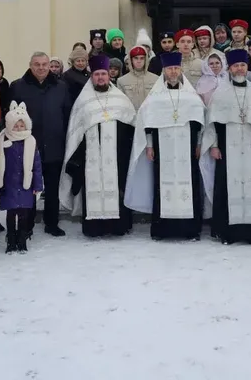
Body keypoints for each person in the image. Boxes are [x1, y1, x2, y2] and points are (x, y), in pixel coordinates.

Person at [200, 50, 251, 246]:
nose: (239, 69)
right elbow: (212, 122)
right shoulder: (221, 94)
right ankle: (227, 233)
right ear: (230, 69)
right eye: (236, 66)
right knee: (227, 188)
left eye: (243, 65)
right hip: (228, 151)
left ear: (247, 68)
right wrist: (213, 145)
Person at [125, 52, 206, 241]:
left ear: (180, 70)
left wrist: (200, 143)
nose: (173, 72)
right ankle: (162, 230)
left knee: (189, 186)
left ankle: (190, 230)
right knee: (162, 187)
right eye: (170, 69)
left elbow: (200, 121)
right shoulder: (155, 97)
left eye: (176, 68)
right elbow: (148, 124)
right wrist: (150, 146)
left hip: (187, 147)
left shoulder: (190, 96)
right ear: (164, 71)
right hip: (162, 148)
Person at [60, 55, 137, 237]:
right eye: (97, 74)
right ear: (92, 76)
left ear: (109, 75)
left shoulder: (121, 99)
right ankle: (94, 228)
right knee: (92, 187)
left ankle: (118, 227)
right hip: (90, 157)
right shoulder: (83, 101)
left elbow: (130, 126)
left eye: (103, 74)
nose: (100, 77)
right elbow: (76, 132)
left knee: (117, 188)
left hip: (116, 157)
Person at [10, 52, 71, 237]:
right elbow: (11, 117)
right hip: (27, 146)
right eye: (37, 64)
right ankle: (26, 225)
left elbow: (67, 114)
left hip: (54, 145)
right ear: (30, 65)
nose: (41, 68)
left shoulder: (61, 87)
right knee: (27, 186)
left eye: (45, 64)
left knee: (52, 188)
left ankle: (51, 223)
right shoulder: (18, 87)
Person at [0, 101, 43, 254]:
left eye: (22, 125)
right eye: (15, 125)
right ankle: (11, 240)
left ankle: (22, 240)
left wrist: (37, 186)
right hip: (9, 184)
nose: (19, 128)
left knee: (24, 215)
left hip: (26, 185)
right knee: (10, 214)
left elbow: (37, 166)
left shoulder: (31, 142)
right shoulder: (3, 141)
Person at [117, 45, 158, 110]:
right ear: (131, 60)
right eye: (136, 58)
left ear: (146, 59)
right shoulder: (122, 81)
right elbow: (121, 104)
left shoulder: (155, 79)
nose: (139, 61)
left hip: (150, 116)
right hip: (131, 117)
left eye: (142, 58)